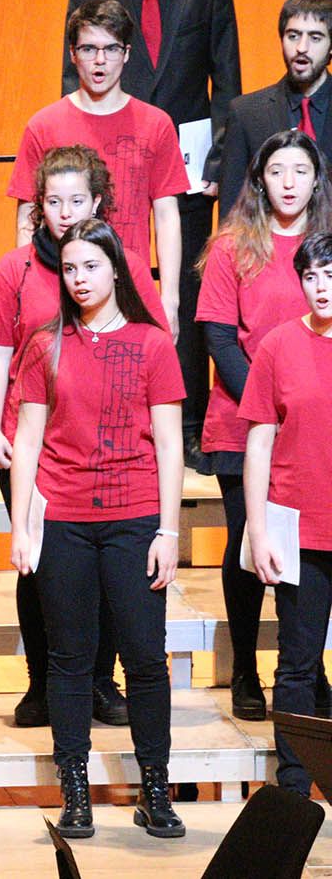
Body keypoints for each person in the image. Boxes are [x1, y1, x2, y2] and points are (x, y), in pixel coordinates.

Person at [0, 145, 168, 729]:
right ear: (39, 207)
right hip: (33, 443)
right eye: (53, 201)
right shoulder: (16, 269)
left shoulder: (121, 262)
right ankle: (44, 682)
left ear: (98, 202)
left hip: (110, 450)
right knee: (39, 568)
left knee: (108, 579)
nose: (63, 212)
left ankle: (100, 682)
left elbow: (149, 347)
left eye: (75, 200)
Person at [8, 218, 186, 841]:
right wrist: (21, 527)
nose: (80, 279)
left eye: (91, 266)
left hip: (135, 518)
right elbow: (27, 441)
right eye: (71, 268)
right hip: (65, 520)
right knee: (69, 658)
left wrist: (168, 530)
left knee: (143, 658)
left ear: (117, 269)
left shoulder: (152, 343)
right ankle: (75, 788)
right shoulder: (44, 343)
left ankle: (155, 788)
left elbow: (169, 443)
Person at [65, 0, 240, 468]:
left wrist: (222, 154)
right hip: (107, 160)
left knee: (186, 286)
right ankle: (112, 413)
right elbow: (72, 79)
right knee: (110, 274)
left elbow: (228, 80)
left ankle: (187, 421)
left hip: (189, 161)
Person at [195, 130, 331, 719]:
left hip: (311, 420)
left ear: (316, 179)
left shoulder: (326, 248)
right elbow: (218, 335)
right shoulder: (232, 247)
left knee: (316, 555)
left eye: (300, 172)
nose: (289, 184)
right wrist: (269, 396)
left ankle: (307, 666)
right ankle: (248, 667)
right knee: (248, 543)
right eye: (277, 172)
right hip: (242, 420)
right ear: (259, 180)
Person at [19, 0, 187, 335]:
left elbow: (166, 214)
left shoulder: (156, 125)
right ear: (72, 53)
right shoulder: (43, 126)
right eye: (89, 48)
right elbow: (27, 213)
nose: (100, 61)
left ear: (126, 54)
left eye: (110, 49)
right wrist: (26, 289)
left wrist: (169, 299)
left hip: (129, 287)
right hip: (59, 286)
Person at [240, 231, 332, 797]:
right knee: (297, 663)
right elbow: (257, 443)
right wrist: (257, 527)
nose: (321, 288)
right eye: (312, 276)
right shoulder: (277, 345)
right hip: (301, 527)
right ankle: (294, 785)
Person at [207, 0, 332, 217]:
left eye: (315, 37)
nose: (301, 48)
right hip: (266, 248)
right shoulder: (246, 113)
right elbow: (233, 212)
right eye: (293, 35)